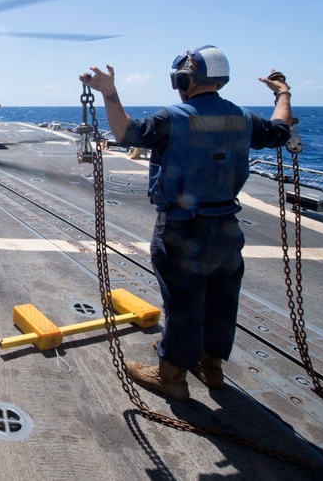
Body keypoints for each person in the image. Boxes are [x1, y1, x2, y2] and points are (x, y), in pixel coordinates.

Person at [80, 45, 292, 399]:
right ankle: (211, 366)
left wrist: (109, 92)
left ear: (184, 79)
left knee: (183, 304)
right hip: (227, 227)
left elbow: (125, 133)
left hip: (181, 229)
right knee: (223, 301)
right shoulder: (243, 117)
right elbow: (280, 129)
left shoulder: (173, 118)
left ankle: (172, 375)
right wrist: (283, 93)